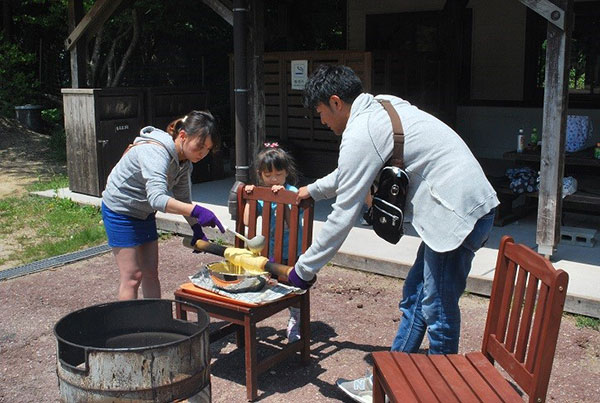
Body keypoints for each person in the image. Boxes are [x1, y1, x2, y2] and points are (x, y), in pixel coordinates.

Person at [286, 65, 498, 402]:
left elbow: (343, 216)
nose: (322, 121)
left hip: (458, 214)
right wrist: (313, 189)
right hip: (457, 206)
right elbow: (350, 172)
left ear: (336, 102)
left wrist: (304, 270)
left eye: (321, 112)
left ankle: (442, 389)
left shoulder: (360, 132)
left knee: (437, 308)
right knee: (416, 297)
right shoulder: (379, 105)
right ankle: (385, 379)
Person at [101, 110, 225, 300]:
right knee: (132, 276)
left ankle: (155, 323)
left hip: (144, 212)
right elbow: (157, 199)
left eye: (208, 149)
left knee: (151, 273)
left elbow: (182, 198)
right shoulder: (155, 151)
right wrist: (197, 211)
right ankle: (130, 327)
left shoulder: (185, 163)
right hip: (120, 209)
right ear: (183, 136)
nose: (203, 153)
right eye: (200, 145)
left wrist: (196, 228)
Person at [243, 142, 303, 342]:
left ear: (286, 173)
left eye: (278, 174)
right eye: (268, 176)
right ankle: (254, 317)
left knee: (291, 286)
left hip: (290, 250)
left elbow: (289, 224)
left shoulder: (293, 192)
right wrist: (251, 198)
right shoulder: (262, 194)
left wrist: (282, 199)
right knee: (260, 281)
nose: (273, 179)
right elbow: (245, 220)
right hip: (267, 250)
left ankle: (295, 318)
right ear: (261, 175)